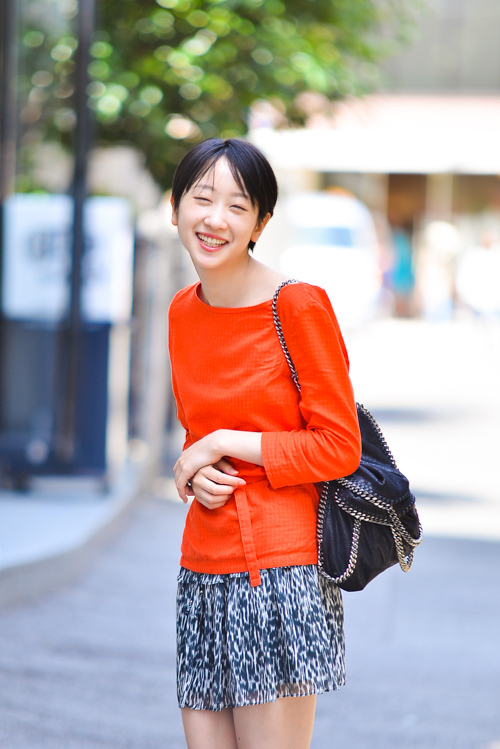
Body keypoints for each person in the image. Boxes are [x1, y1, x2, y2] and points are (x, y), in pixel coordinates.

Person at [168, 138, 361, 749]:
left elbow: (338, 447)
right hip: (202, 565)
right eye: (202, 199)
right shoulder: (181, 311)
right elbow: (198, 437)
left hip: (279, 569)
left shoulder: (296, 306)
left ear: (261, 223)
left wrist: (225, 441)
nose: (215, 218)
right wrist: (199, 466)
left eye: (238, 205)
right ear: (175, 209)